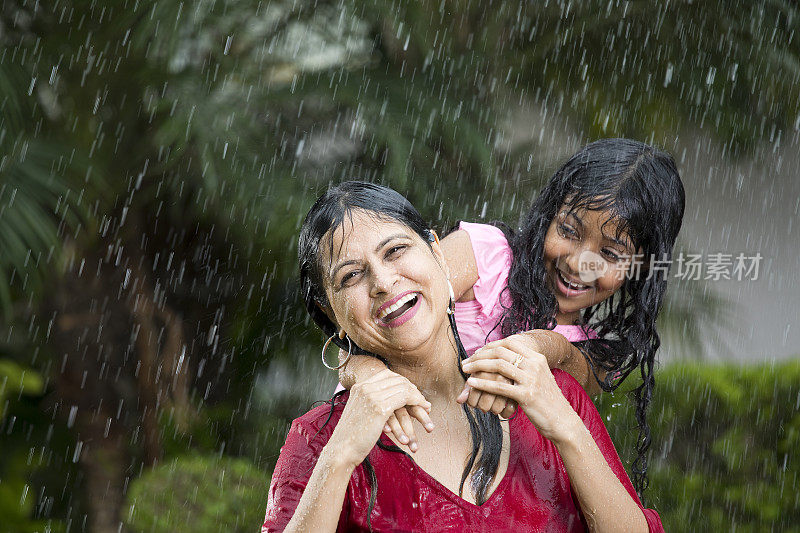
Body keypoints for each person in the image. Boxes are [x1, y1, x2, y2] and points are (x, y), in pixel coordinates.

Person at [262, 181, 664, 531]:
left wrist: (567, 428)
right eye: (351, 275)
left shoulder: (550, 392)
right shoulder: (319, 439)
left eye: (396, 250)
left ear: (438, 252)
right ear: (332, 315)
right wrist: (339, 457)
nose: (383, 282)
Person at [339, 139, 685, 492]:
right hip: (371, 462)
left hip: (468, 491)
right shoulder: (484, 255)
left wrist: (539, 343)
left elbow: (565, 355)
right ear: (548, 215)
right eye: (568, 231)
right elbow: (364, 328)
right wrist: (367, 374)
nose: (579, 263)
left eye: (611, 253)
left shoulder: (594, 359)